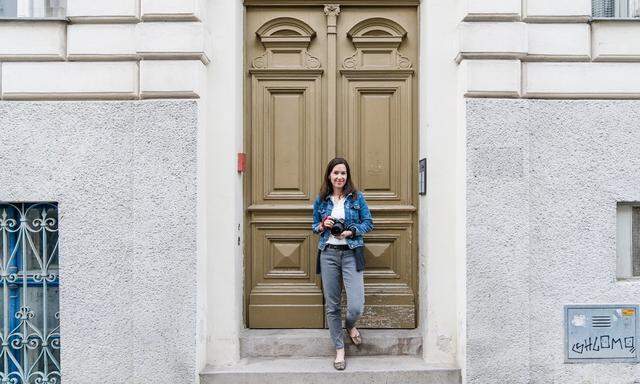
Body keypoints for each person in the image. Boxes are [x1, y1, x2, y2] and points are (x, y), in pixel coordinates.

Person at [312, 157, 374, 370]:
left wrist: (351, 231)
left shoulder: (357, 198)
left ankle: (349, 326)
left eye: (343, 173)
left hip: (350, 253)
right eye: (335, 173)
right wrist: (322, 225)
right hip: (328, 253)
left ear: (347, 176)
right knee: (333, 305)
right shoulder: (321, 200)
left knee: (356, 305)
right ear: (329, 175)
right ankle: (339, 349)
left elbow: (368, 222)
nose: (339, 177)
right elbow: (313, 227)